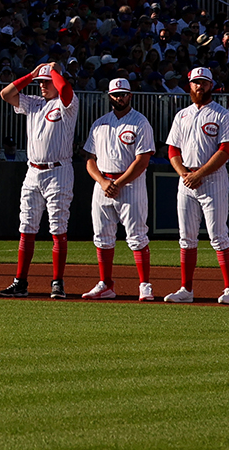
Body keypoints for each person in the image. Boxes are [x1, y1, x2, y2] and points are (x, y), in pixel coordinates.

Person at [0, 62, 78, 299]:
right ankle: (20, 282)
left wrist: (54, 71)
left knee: (58, 228)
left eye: (46, 81)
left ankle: (57, 282)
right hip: (32, 171)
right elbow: (5, 94)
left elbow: (65, 91)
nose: (42, 85)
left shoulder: (66, 104)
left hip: (58, 171)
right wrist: (32, 74)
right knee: (26, 227)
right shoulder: (33, 102)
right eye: (40, 82)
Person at [162, 65, 229, 304]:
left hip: (213, 179)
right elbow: (173, 150)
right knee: (186, 237)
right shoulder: (181, 115)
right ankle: (186, 289)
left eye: (204, 82)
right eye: (196, 82)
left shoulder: (222, 114)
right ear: (190, 85)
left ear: (211, 85)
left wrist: (200, 174)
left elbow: (226, 150)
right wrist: (185, 173)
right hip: (186, 180)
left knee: (219, 236)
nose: (200, 86)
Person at [81, 77, 155, 300]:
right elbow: (89, 159)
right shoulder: (100, 123)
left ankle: (144, 285)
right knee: (102, 237)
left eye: (123, 94)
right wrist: (103, 182)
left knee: (137, 236)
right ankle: (106, 284)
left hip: (130, 185)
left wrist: (118, 183)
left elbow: (142, 161)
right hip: (103, 185)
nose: (119, 98)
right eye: (115, 94)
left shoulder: (140, 122)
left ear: (130, 95)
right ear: (109, 96)